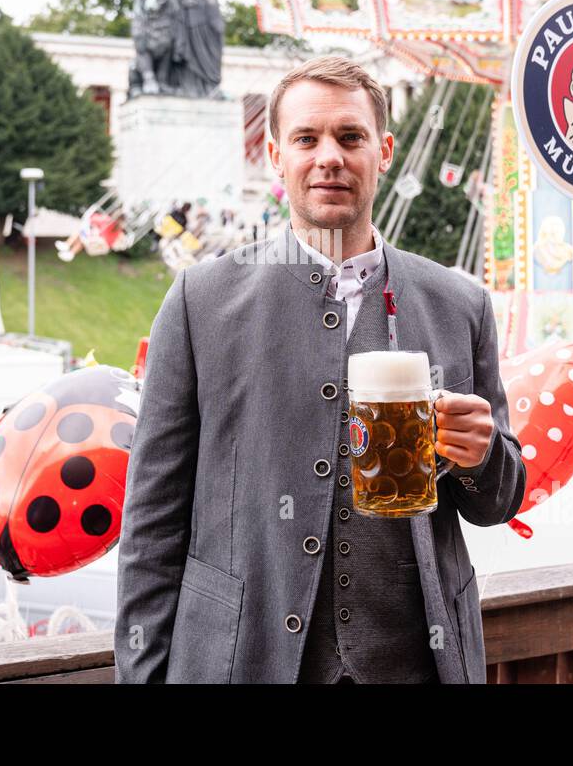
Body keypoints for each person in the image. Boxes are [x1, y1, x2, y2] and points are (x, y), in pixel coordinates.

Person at [114, 55, 527, 684]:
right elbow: (152, 522)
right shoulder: (201, 301)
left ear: (384, 151)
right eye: (307, 138)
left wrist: (485, 456)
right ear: (276, 154)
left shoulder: (457, 302)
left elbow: (498, 502)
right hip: (241, 661)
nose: (329, 156)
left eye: (350, 137)